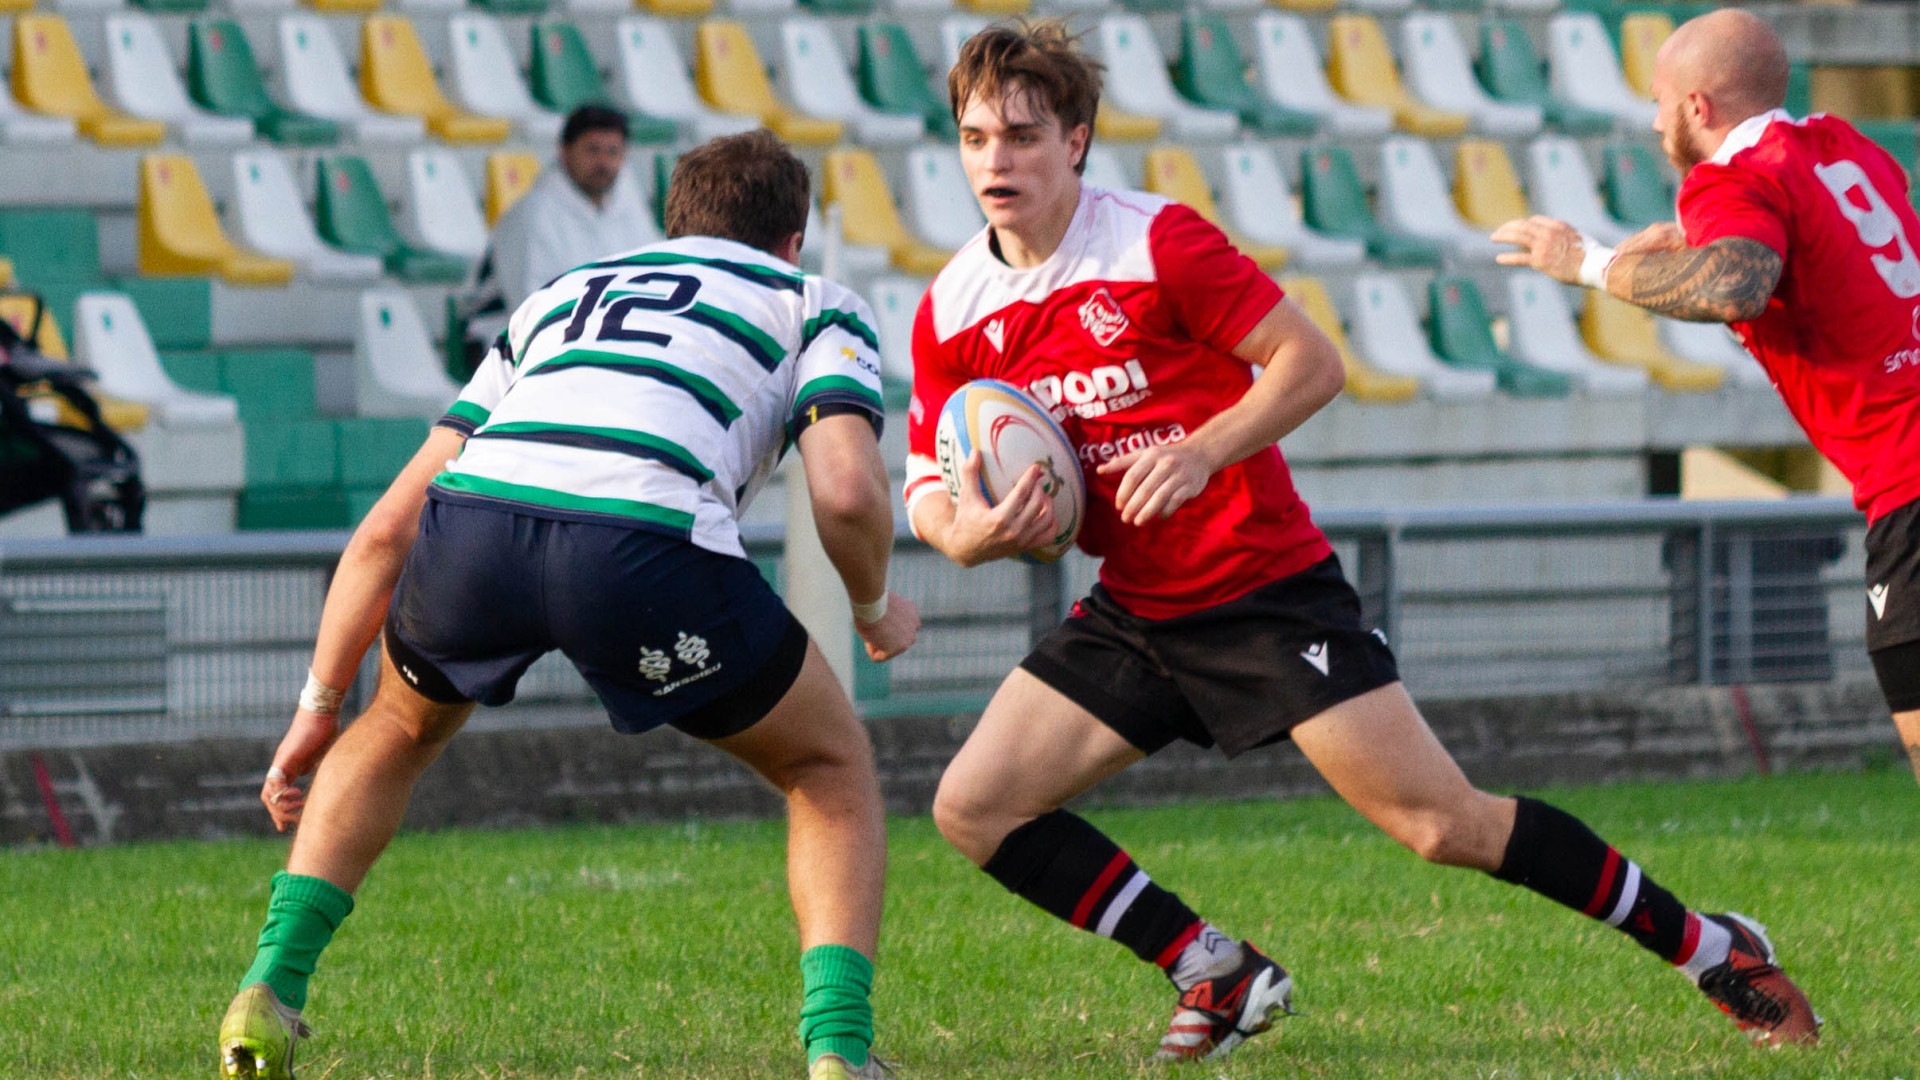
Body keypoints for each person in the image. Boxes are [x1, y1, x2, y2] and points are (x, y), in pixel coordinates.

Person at [904, 20, 1820, 1063]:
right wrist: (969, 535)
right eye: (977, 139)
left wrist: (1205, 452)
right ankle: (1214, 968)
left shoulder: (1156, 243)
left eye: (1021, 136)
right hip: (1138, 605)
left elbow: (1310, 363)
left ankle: (1713, 948)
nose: (996, 161)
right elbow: (930, 485)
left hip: (1263, 589)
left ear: (1075, 141)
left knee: (1444, 828)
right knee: (974, 807)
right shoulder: (953, 309)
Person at [217, 130, 919, 1080]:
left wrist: (314, 709)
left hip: (477, 530)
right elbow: (845, 492)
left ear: (674, 221)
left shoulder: (564, 294)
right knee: (827, 764)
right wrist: (875, 608)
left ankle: (270, 986)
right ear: (792, 237)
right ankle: (838, 1051)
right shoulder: (813, 302)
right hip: (640, 546)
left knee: (393, 726)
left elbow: (389, 526)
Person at [1493, 8, 1920, 785]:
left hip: (1910, 477)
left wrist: (1584, 262)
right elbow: (1820, 276)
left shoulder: (1732, 179)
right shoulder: (1845, 144)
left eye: (1660, 101)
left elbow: (1735, 285)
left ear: (1698, 107)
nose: (1655, 122)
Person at [487, 104, 662, 315]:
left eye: (613, 152)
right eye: (593, 150)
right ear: (565, 151)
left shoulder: (627, 204)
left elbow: (655, 278)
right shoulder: (533, 213)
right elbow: (529, 306)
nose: (603, 162)